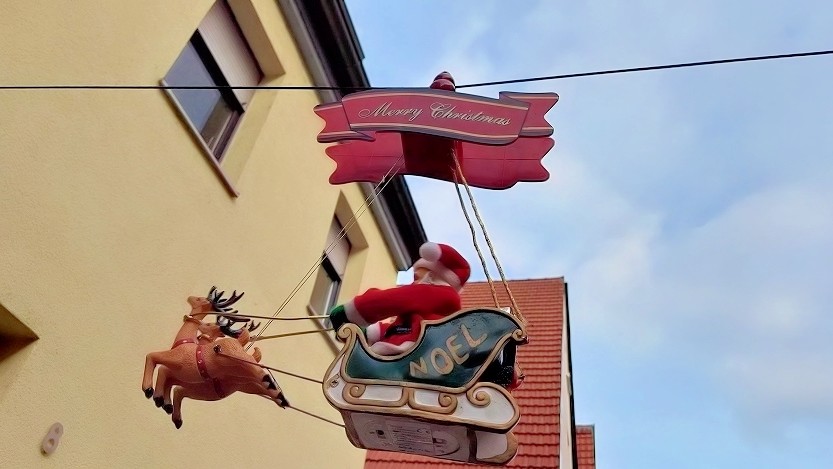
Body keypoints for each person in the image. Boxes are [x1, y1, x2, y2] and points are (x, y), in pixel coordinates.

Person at [328, 242, 470, 356]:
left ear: (432, 277)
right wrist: (368, 334)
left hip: (408, 353)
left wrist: (351, 311)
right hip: (417, 354)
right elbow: (401, 328)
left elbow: (391, 300)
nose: (413, 284)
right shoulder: (429, 308)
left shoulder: (439, 294)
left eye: (417, 278)